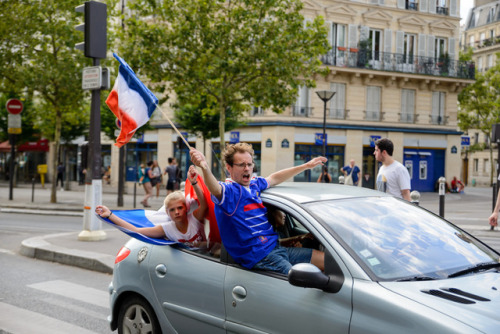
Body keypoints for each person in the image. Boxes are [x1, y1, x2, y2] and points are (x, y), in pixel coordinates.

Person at [190, 142, 325, 275]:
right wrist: (205, 167)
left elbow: (274, 178)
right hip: (261, 257)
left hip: (277, 248)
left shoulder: (255, 184)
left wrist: (306, 166)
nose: (247, 168)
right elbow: (215, 188)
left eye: (249, 164)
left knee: (326, 261)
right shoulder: (230, 191)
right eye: (241, 165)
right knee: (303, 279)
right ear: (229, 168)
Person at [96, 165, 208, 247]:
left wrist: (194, 183)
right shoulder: (167, 228)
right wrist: (110, 215)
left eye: (180, 208)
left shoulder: (194, 218)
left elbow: (203, 202)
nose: (177, 212)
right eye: (172, 210)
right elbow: (136, 230)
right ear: (167, 213)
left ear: (186, 208)